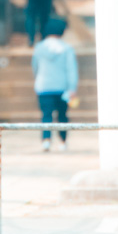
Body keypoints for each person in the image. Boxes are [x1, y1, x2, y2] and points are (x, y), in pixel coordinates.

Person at [31, 17, 79, 152]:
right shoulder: (67, 48)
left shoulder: (39, 48)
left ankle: (46, 140)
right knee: (62, 116)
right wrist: (72, 88)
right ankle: (63, 141)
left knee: (46, 115)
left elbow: (35, 66)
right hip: (62, 88)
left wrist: (37, 80)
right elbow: (71, 69)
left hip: (43, 86)